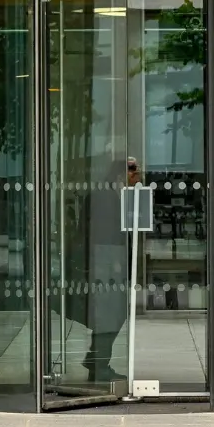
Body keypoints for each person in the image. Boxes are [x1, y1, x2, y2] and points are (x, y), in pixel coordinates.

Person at [83, 156, 138, 384]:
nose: (138, 176)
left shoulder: (118, 195)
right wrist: (114, 262)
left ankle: (95, 362)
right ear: (121, 174)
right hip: (107, 263)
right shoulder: (105, 197)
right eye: (134, 172)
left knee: (112, 315)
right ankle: (98, 365)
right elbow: (104, 234)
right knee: (110, 315)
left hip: (111, 262)